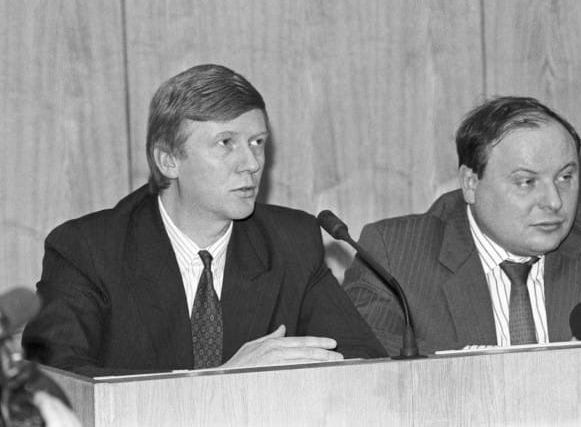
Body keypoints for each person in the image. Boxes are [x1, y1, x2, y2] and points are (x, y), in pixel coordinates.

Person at [22, 64, 386, 377]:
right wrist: (218, 381)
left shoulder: (292, 241)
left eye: (257, 142)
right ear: (168, 160)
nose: (251, 163)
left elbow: (361, 363)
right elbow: (56, 383)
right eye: (226, 143)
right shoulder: (88, 250)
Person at [343, 96, 581, 355]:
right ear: (471, 183)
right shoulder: (394, 255)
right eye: (526, 182)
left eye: (565, 177)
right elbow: (364, 370)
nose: (554, 201)